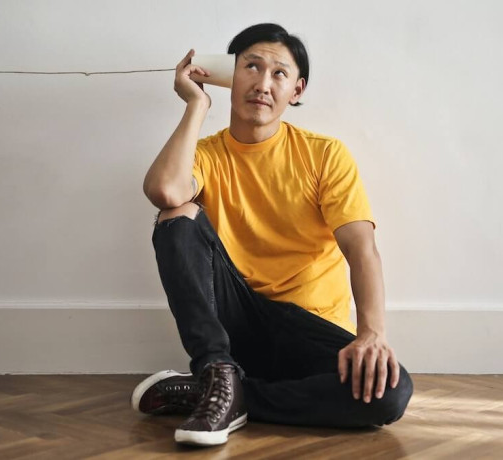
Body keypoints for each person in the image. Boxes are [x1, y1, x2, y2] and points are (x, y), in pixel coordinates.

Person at [132, 23, 413, 447]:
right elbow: (166, 192)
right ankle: (218, 373)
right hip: (235, 322)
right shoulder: (206, 154)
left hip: (309, 325)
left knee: (390, 394)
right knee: (177, 215)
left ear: (296, 91)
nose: (263, 83)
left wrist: (372, 332)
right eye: (251, 67)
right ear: (229, 75)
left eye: (279, 74)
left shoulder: (324, 154)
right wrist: (196, 105)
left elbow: (362, 249)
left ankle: (218, 395)